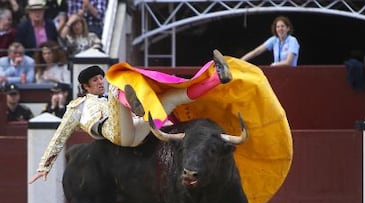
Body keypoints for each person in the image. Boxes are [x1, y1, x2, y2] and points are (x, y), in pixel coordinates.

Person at [28, 49, 232, 183]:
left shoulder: (106, 97)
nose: (100, 82)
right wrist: (44, 166)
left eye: (101, 78)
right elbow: (59, 136)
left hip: (134, 131)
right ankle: (138, 106)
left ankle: (217, 79)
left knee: (170, 98)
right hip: (116, 134)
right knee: (118, 88)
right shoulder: (76, 107)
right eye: (95, 80)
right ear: (84, 87)